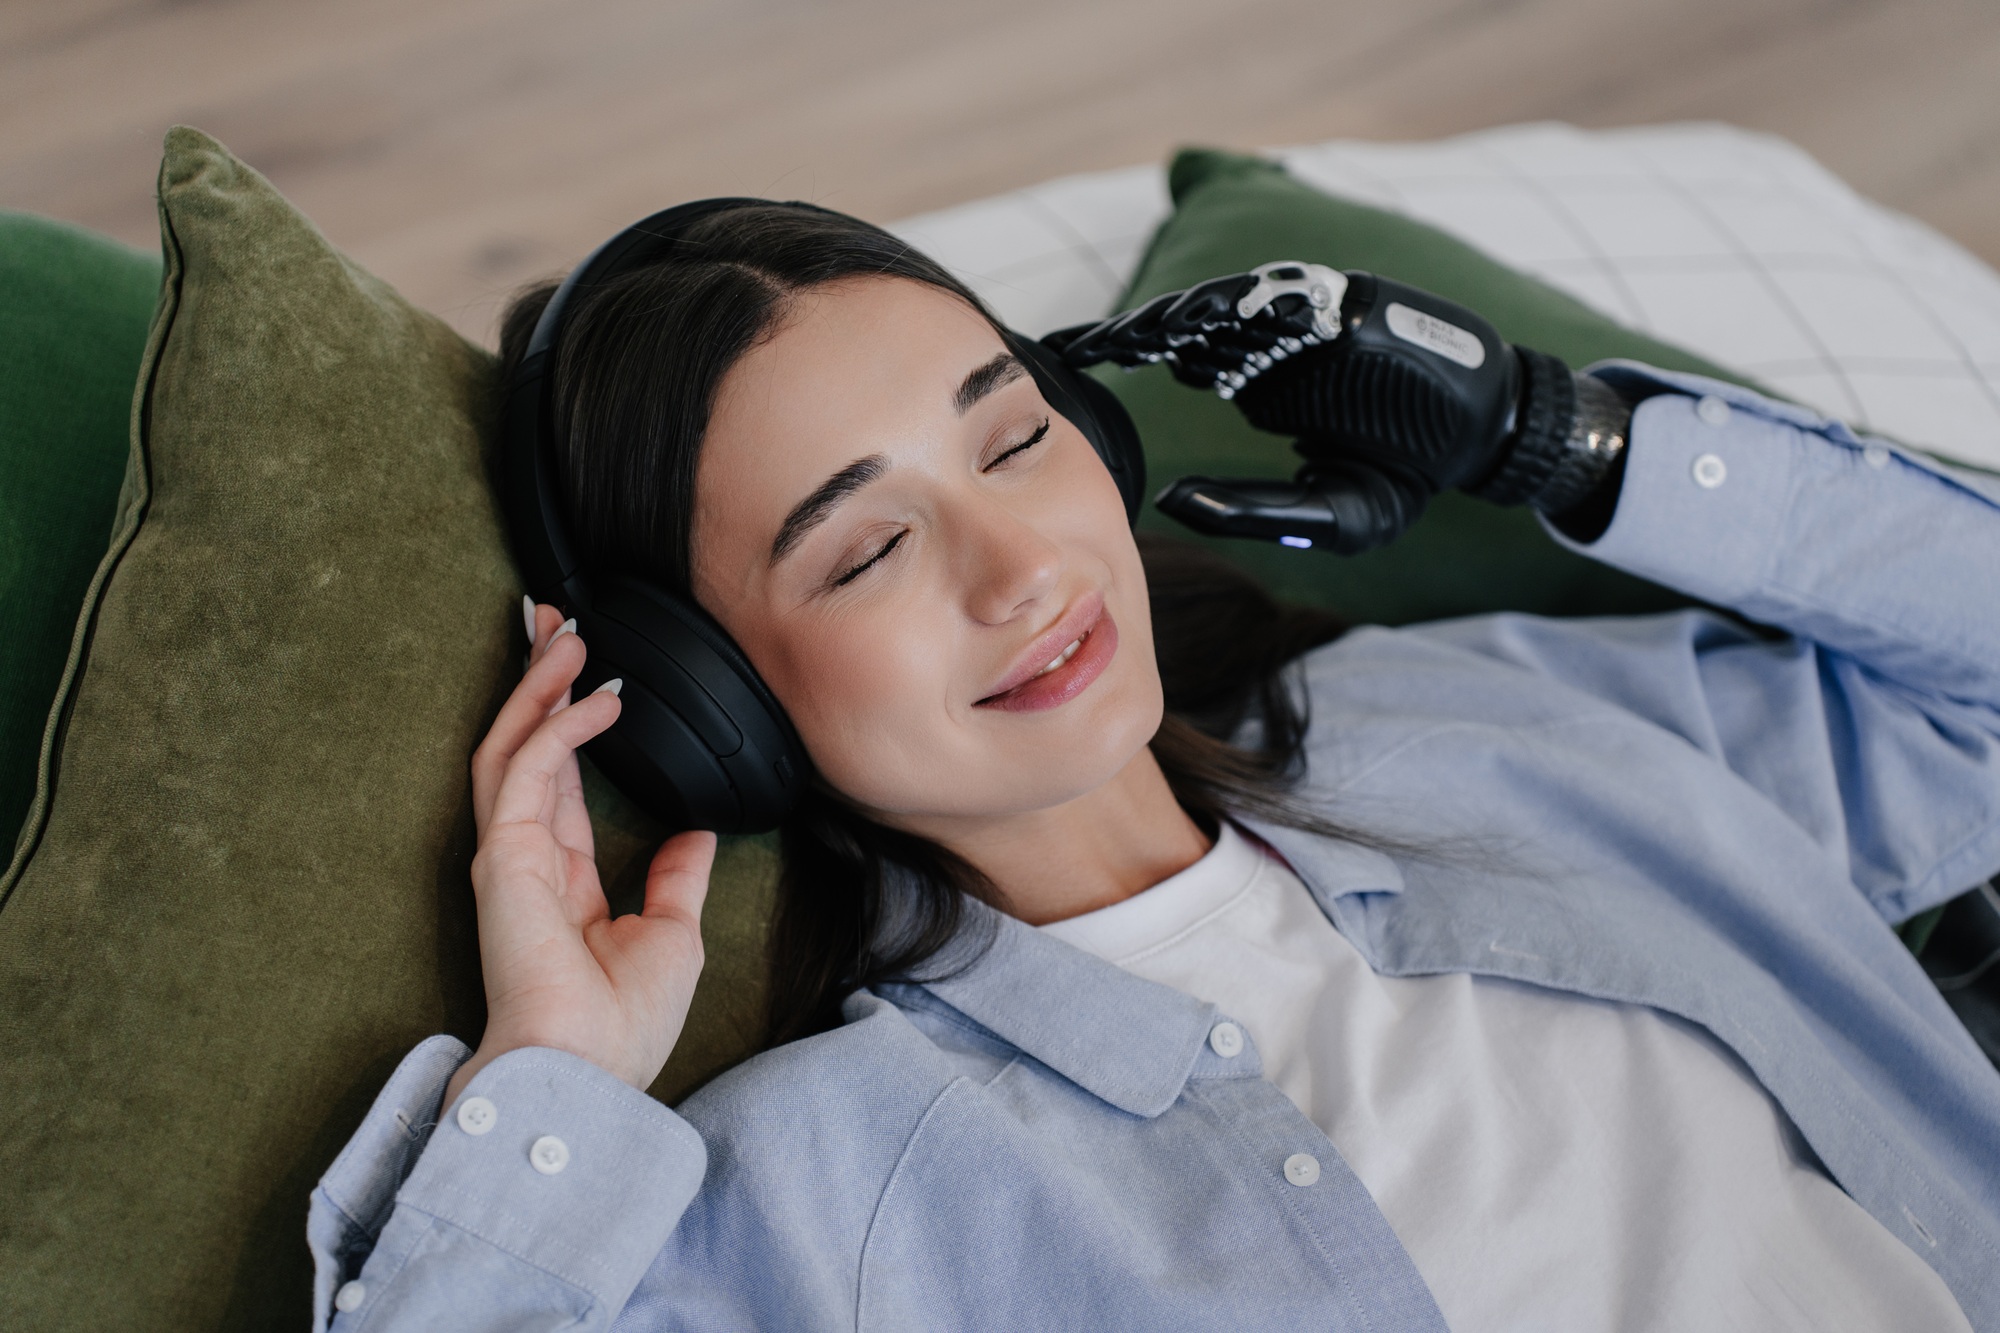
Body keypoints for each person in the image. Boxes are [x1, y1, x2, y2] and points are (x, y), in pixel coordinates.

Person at [306, 203, 2000, 1331]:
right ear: (711, 704)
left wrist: (1555, 435)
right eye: (866, 549)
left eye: (1017, 437)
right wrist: (552, 1077)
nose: (1022, 568)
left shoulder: (1502, 729)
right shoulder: (831, 1188)